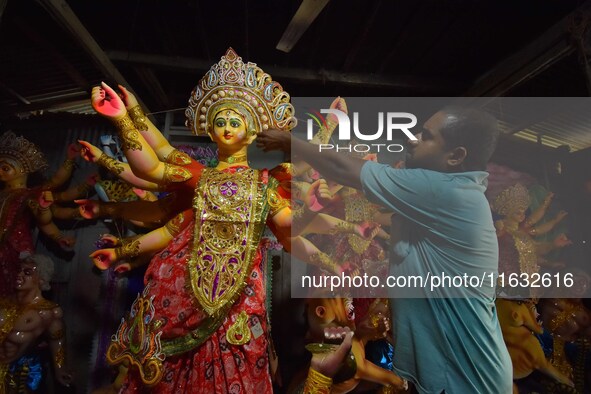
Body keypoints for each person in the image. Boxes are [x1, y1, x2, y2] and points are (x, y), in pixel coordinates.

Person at [82, 48, 344, 392]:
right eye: (219, 121)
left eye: (235, 121)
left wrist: (326, 255)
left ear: (251, 133)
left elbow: (290, 233)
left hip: (240, 299)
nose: (226, 127)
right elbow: (154, 171)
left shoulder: (265, 185)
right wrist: (123, 116)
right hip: (182, 291)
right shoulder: (199, 179)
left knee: (238, 361)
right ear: (209, 129)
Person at [257, 106, 513, 393]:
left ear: (455, 156)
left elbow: (345, 169)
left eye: (426, 136)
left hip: (470, 378)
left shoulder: (444, 191)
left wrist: (291, 143)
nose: (412, 138)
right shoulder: (451, 194)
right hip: (454, 370)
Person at [0, 132, 77, 297]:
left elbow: (44, 222)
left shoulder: (27, 195)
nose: (0, 172)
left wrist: (58, 236)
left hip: (14, 248)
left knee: (13, 290)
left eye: (5, 168)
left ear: (21, 170)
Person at [0, 254, 72, 392]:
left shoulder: (47, 312)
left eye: (27, 272)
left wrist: (60, 369)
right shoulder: (3, 302)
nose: (19, 274)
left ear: (41, 279)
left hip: (21, 373)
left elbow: (57, 339)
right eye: (18, 270)